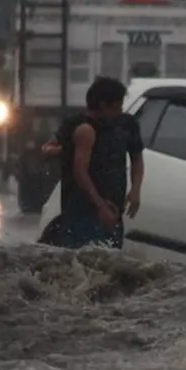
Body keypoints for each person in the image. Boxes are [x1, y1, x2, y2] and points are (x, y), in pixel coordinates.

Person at [43, 77, 144, 250]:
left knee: (108, 264)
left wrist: (135, 190)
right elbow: (78, 171)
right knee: (82, 260)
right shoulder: (81, 127)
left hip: (113, 208)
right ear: (104, 105)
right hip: (81, 210)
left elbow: (137, 158)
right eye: (117, 106)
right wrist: (67, 149)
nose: (120, 110)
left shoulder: (125, 125)